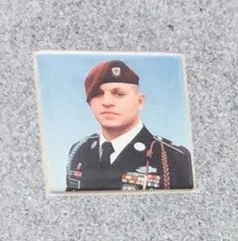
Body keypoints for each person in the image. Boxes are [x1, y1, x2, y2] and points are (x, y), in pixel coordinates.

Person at [65, 60, 194, 191]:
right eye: (98, 94)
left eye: (119, 94)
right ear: (90, 104)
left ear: (140, 101)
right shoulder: (79, 150)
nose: (107, 102)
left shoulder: (173, 157)